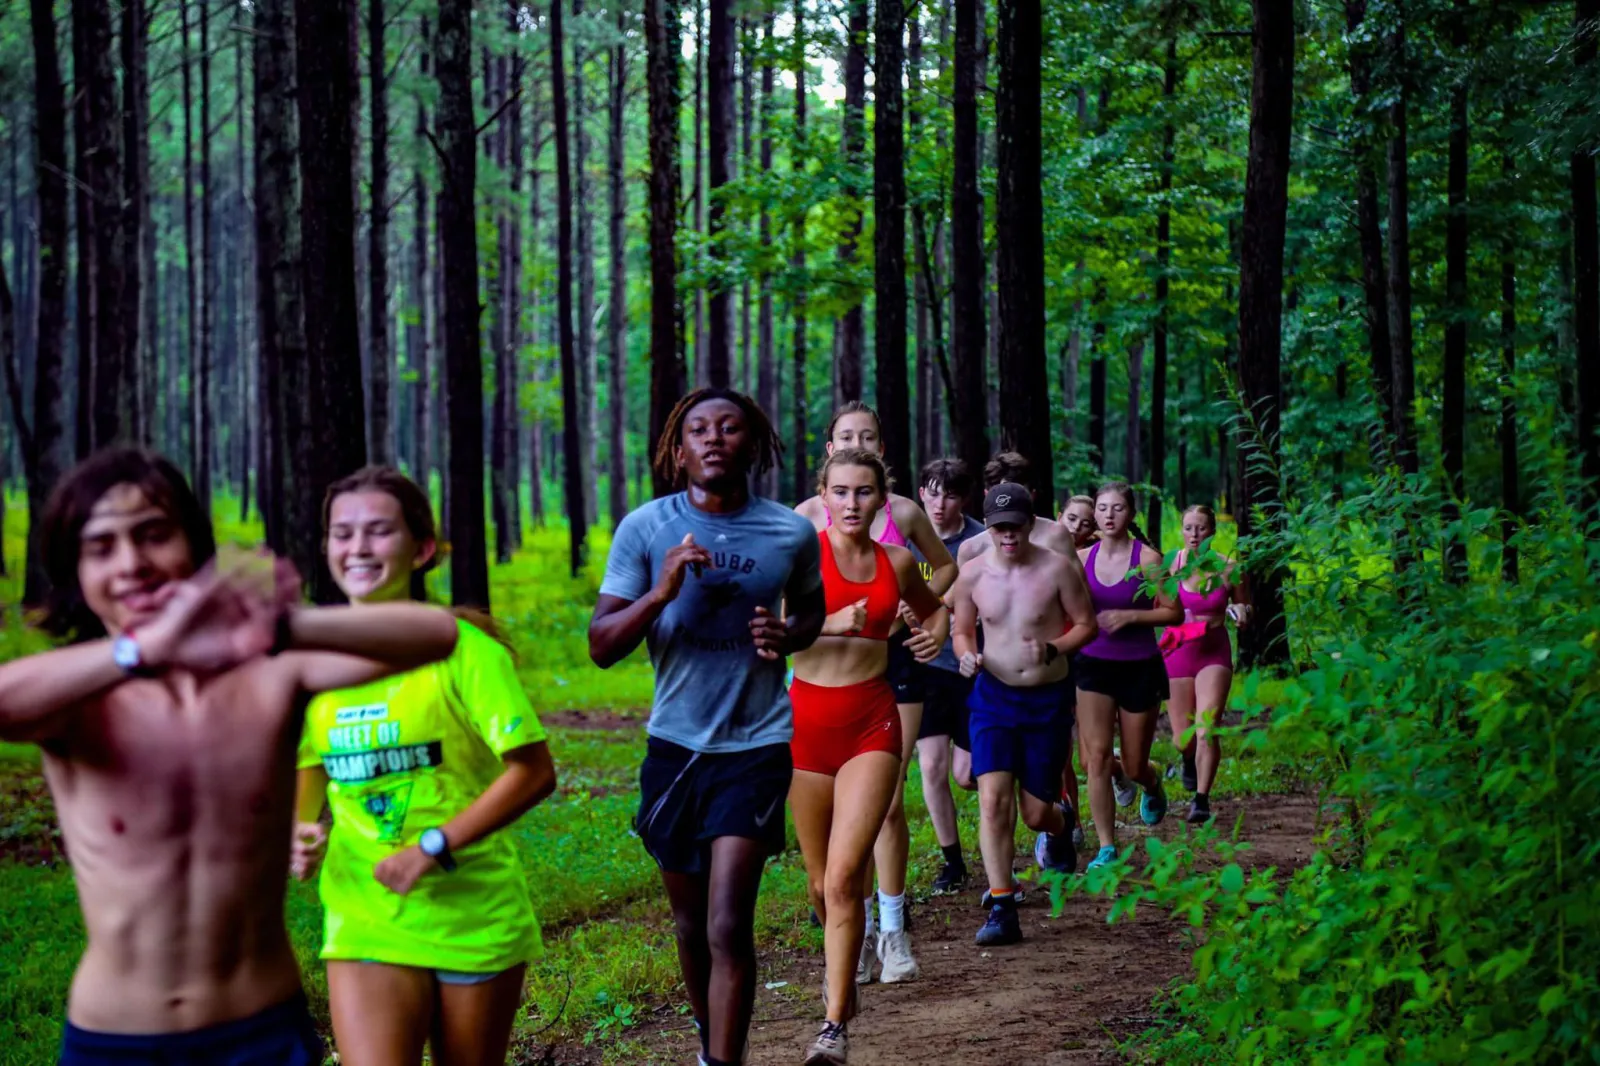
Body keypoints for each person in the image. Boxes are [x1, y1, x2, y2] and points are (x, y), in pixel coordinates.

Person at [0, 447, 461, 1066]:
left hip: (261, 1029)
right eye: (100, 547)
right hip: (115, 1038)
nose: (132, 563)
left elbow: (437, 635)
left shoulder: (269, 672)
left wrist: (277, 627)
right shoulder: (78, 701)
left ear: (194, 547)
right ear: (76, 573)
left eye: (154, 535)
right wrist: (140, 649)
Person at [589, 388, 826, 1066]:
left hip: (755, 746)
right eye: (699, 429)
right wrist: (660, 593)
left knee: (727, 924)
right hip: (674, 749)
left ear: (753, 444)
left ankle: (724, 1061)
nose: (714, 438)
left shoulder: (789, 531)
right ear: (678, 448)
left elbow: (809, 613)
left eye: (729, 428)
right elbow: (601, 646)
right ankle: (708, 1042)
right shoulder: (645, 528)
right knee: (690, 926)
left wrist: (788, 633)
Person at [289, 467, 557, 1066]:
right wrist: (301, 828)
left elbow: (535, 772)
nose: (357, 547)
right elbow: (310, 760)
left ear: (422, 549)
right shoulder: (313, 662)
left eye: (378, 531)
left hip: (473, 912)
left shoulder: (464, 649)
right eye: (342, 533)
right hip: (365, 914)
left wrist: (432, 846)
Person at [789, 449, 949, 1065]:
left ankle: (832, 1028)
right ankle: (843, 977)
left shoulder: (899, 561)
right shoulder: (799, 557)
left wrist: (934, 635)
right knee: (819, 886)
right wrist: (832, 619)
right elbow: (772, 630)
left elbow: (934, 608)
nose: (852, 503)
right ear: (822, 496)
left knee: (842, 874)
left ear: (883, 499)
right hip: (805, 727)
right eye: (841, 492)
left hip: (870, 724)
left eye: (864, 492)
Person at [949, 482, 1098, 946]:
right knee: (991, 798)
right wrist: (967, 654)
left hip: (1046, 700)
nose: (1008, 536)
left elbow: (1087, 625)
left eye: (1015, 527)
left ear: (1031, 525)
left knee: (1035, 814)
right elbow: (960, 630)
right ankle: (1002, 904)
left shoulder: (1057, 569)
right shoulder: (972, 573)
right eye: (999, 528)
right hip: (993, 697)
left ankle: (1062, 820)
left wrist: (1054, 647)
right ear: (989, 528)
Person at [1075, 482, 1184, 871]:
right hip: (1092, 665)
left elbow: (1175, 612)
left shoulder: (1149, 559)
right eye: (1102, 508)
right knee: (1096, 759)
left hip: (1139, 665)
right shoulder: (1081, 558)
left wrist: (1130, 616)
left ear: (1130, 514)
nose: (1108, 515)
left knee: (1135, 764)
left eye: (1117, 508)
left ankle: (1151, 784)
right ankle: (1107, 847)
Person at [909, 459, 987, 894]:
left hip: (974, 666)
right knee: (932, 766)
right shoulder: (907, 539)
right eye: (933, 492)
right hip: (926, 668)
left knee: (967, 774)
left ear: (965, 499)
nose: (940, 504)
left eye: (950, 495)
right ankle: (952, 861)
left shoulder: (979, 541)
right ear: (921, 493)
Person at [1162, 504, 1252, 825]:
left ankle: (1201, 799)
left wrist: (1241, 612)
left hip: (1213, 651)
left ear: (1212, 531)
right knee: (1181, 738)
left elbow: (1244, 603)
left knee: (1206, 729)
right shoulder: (1173, 565)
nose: (1194, 534)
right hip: (1179, 650)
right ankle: (1188, 760)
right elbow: (1161, 604)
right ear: (1182, 531)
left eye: (1201, 528)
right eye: (1189, 528)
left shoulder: (1229, 568)